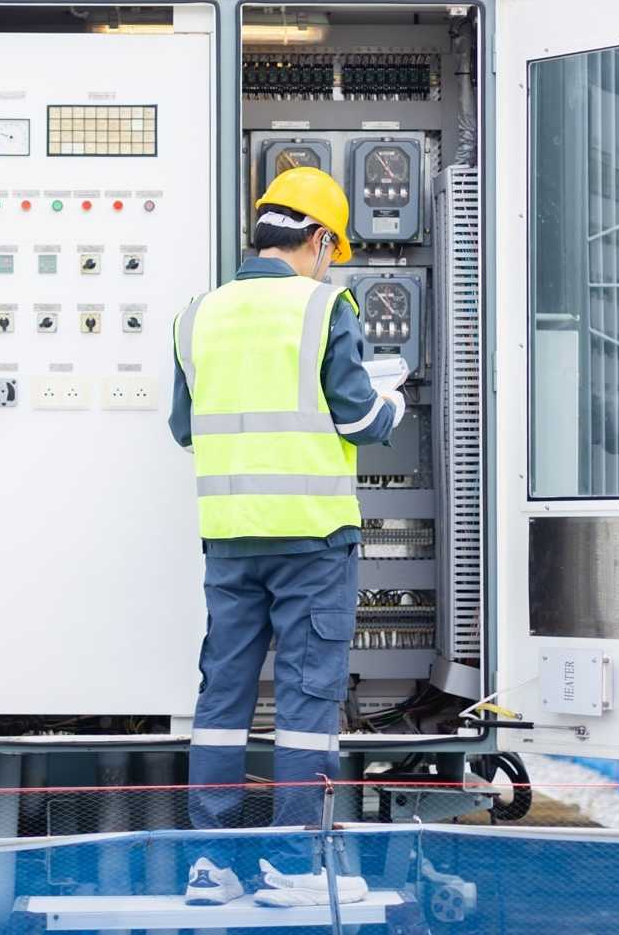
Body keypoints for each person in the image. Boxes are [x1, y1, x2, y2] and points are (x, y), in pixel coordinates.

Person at [169, 166, 404, 906]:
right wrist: (390, 398)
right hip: (311, 540)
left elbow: (184, 428)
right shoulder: (323, 307)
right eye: (332, 248)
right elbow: (362, 420)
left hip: (232, 540)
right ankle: (298, 867)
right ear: (319, 238)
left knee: (224, 698)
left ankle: (211, 865)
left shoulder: (197, 314)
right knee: (305, 701)